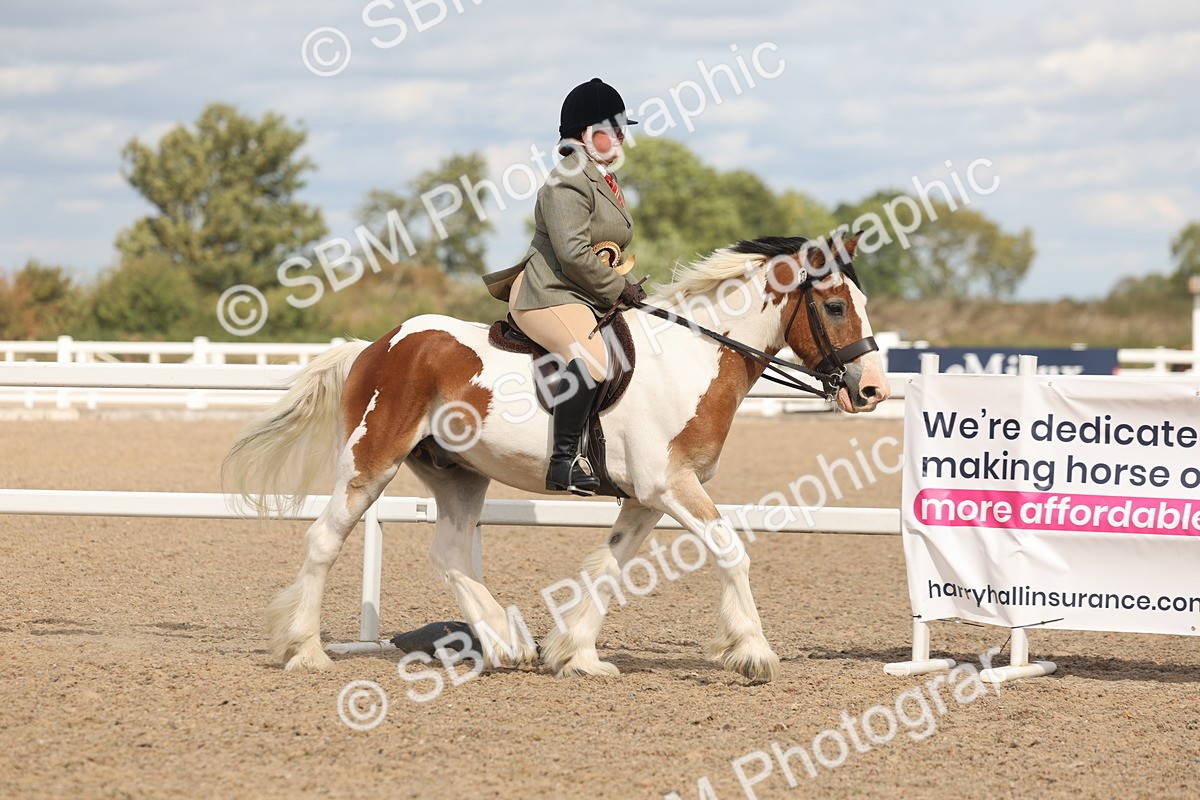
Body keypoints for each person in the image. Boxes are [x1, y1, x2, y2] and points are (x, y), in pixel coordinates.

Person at [483, 78, 647, 495]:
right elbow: (573, 254)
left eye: (622, 127)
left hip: (581, 293)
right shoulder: (566, 181)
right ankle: (563, 463)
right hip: (547, 294)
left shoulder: (599, 178)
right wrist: (617, 287)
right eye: (613, 127)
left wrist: (620, 285)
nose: (622, 135)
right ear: (584, 134)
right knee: (593, 360)